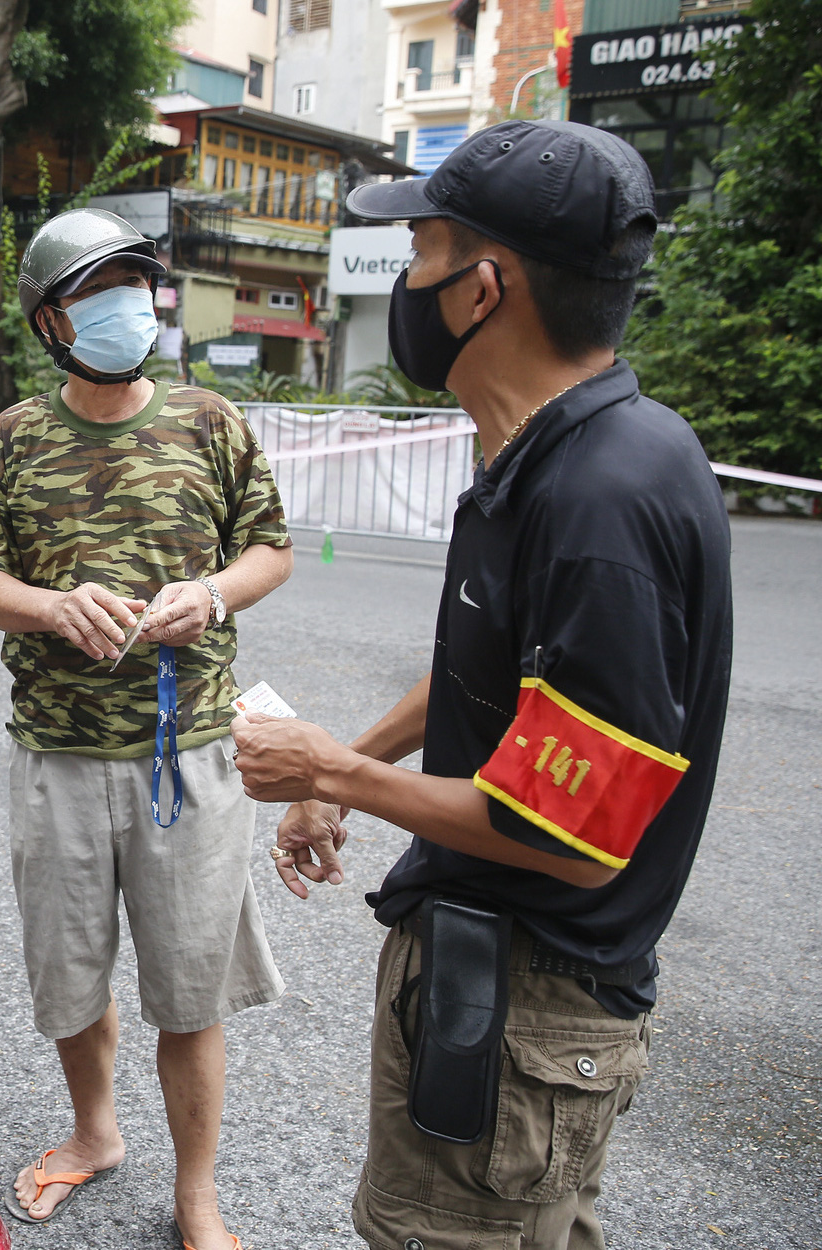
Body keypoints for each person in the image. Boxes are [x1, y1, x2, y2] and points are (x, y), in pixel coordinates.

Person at [233, 121, 731, 1250]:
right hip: (509, 995)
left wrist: (328, 768)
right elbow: (496, 674)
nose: (405, 279)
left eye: (418, 252)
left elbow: (568, 833)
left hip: (523, 1010)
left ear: (480, 287)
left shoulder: (598, 500)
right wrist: (348, 767)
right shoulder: (551, 452)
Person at [0, 208, 293, 1245]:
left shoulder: (210, 422)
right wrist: (50, 605)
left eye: (134, 286)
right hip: (54, 752)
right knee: (69, 972)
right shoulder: (14, 436)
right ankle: (94, 1132)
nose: (124, 307)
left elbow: (267, 549)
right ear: (51, 320)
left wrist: (214, 594)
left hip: (186, 753)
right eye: (96, 292)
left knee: (190, 990)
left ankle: (196, 1193)